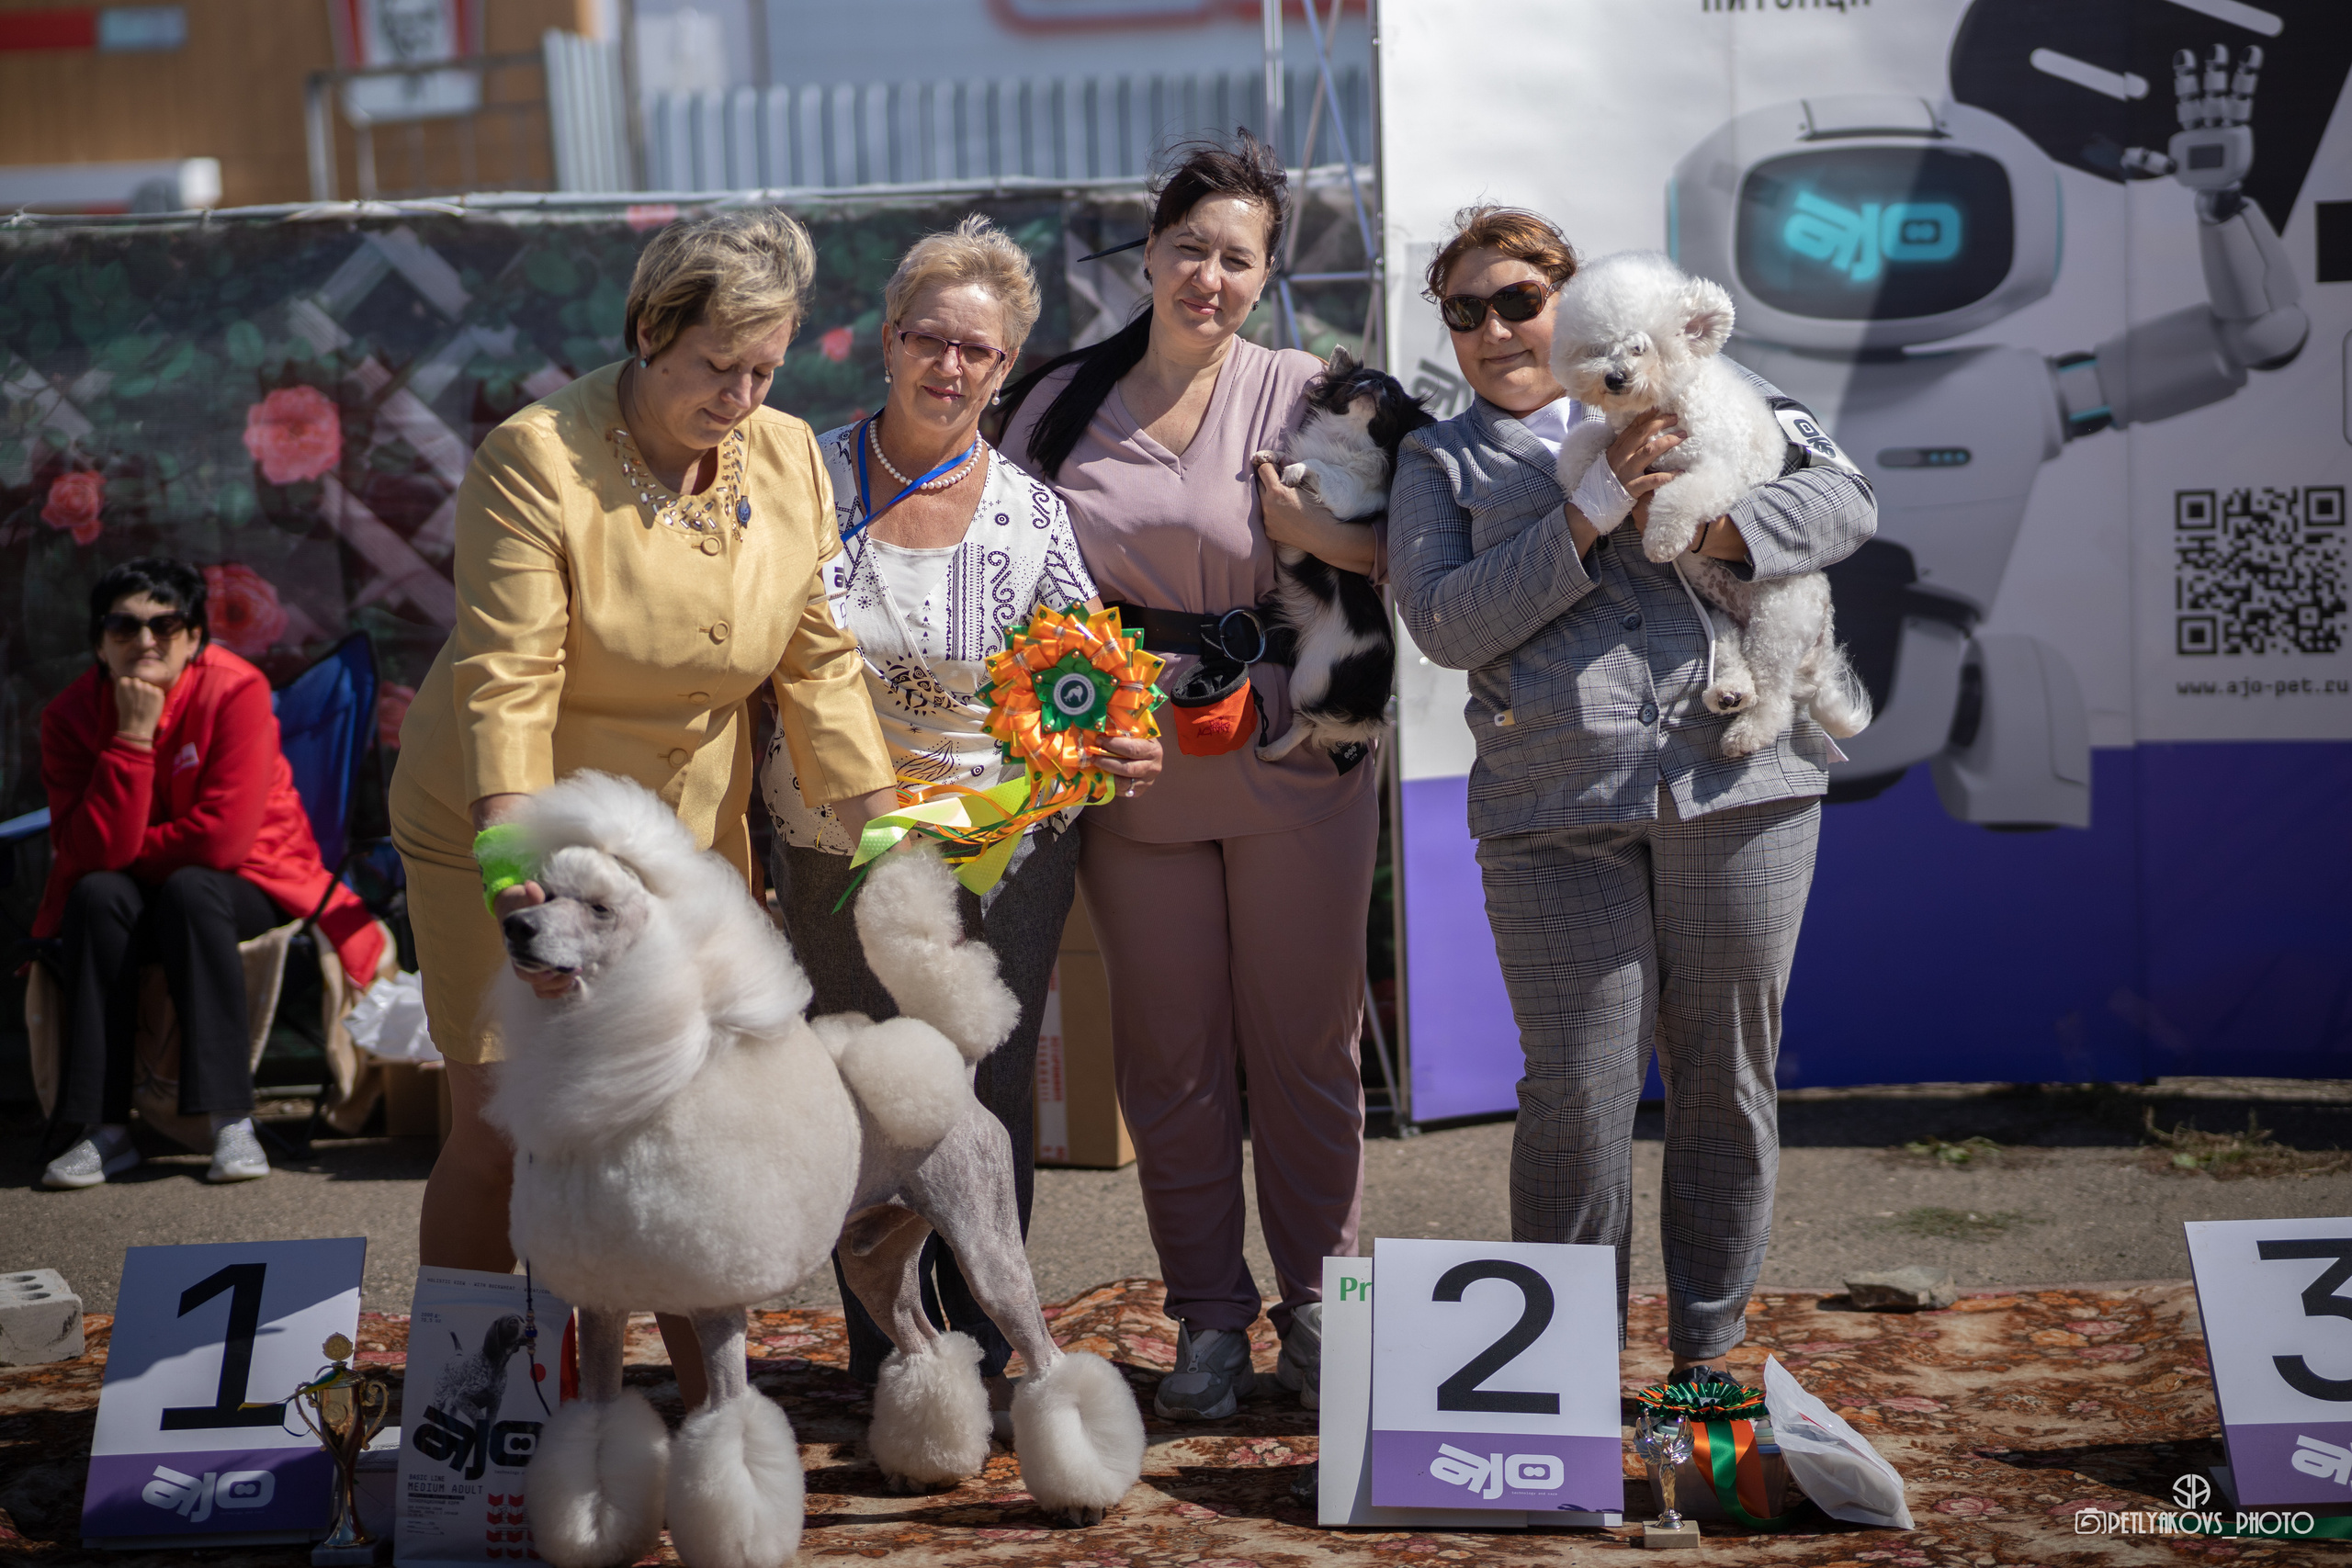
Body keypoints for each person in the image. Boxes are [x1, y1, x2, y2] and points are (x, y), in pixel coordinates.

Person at [390, 209, 896, 1406]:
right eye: (716, 365)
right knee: (510, 1121)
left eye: (765, 369)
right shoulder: (535, 458)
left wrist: (886, 827)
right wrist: (520, 875)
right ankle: (472, 1412)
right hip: (504, 818)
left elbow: (817, 662)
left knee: (679, 1115)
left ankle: (708, 1409)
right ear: (649, 330)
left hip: (680, 841)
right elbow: (504, 683)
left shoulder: (785, 457)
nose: (741, 394)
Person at [1387, 207, 1877, 1381]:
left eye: (1519, 301)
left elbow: (1848, 504)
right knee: (1574, 1094)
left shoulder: (1715, 381)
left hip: (1744, 790)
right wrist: (1588, 509)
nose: (1497, 329)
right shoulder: (1434, 461)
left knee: (1725, 1080)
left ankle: (1709, 1355)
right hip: (1552, 817)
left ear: (1574, 305)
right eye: (1466, 311)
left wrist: (1707, 520)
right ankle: (1555, 1372)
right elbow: (1446, 623)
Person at [1001, 132, 1375, 1420]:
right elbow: (1010, 585)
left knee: (1308, 1044)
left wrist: (1315, 542)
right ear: (1148, 252)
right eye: (1190, 248)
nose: (1208, 275)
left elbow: (1400, 563)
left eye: (1238, 258)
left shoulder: (1324, 393)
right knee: (1170, 1059)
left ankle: (1324, 1305)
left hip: (1296, 753)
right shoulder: (1050, 403)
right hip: (1131, 758)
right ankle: (1208, 1319)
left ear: (1266, 276)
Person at [763, 214, 1164, 1403]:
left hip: (1000, 849)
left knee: (980, 1107)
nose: (949, 364)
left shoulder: (1035, 517)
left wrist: (1116, 738)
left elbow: (1084, 672)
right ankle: (890, 1360)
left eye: (977, 351)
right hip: (832, 835)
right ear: (887, 340)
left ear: (1004, 367)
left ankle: (990, 1360)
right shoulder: (799, 481)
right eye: (928, 337)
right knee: (862, 1094)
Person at [35, 557, 388, 1189]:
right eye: (123, 626)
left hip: (252, 880)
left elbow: (221, 842)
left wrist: (121, 848)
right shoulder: (68, 717)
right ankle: (103, 1131)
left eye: (165, 625)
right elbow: (85, 857)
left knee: (190, 888)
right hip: (137, 891)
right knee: (92, 896)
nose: (145, 640)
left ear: (195, 637)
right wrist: (132, 740)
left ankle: (231, 1121)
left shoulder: (236, 689)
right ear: (99, 642)